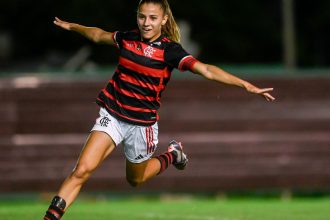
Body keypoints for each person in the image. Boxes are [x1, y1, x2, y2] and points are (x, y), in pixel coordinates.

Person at [43, 0, 275, 219]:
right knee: (81, 170)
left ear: (163, 20)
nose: (146, 23)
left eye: (153, 18)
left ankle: (173, 155)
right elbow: (97, 35)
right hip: (112, 115)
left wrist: (245, 85)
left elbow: (206, 70)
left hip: (142, 125)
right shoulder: (127, 38)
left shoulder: (170, 51)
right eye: (142, 17)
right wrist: (73, 26)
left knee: (135, 179)